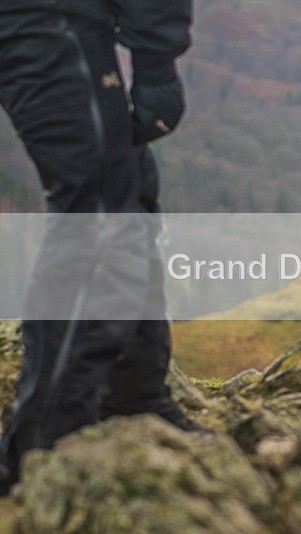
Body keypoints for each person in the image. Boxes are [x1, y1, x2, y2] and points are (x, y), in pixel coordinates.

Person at [0, 0, 202, 495]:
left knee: (125, 187)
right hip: (43, 19)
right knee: (98, 216)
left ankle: (131, 395)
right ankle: (45, 446)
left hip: (57, 18)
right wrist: (156, 63)